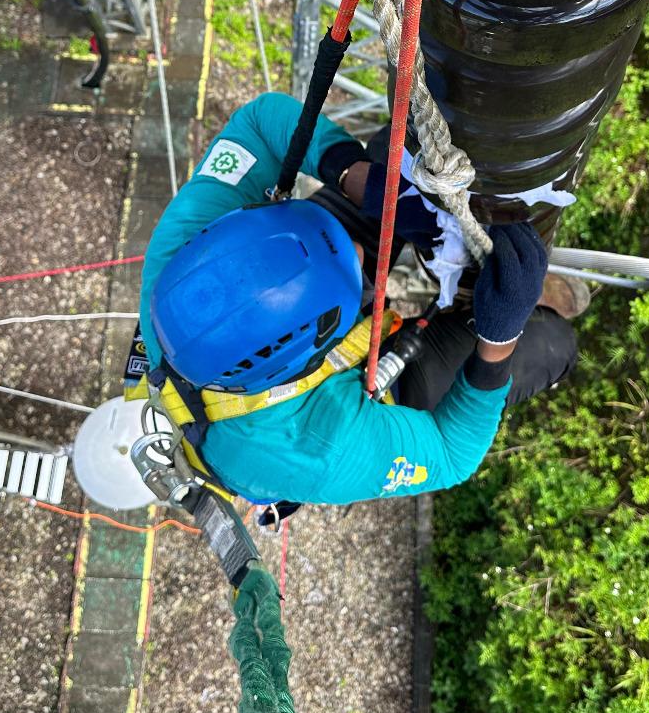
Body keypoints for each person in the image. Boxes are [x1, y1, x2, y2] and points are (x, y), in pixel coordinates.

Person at [130, 93, 586, 507]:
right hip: (335, 403)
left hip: (295, 283)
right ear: (325, 340)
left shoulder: (179, 256)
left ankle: (461, 271)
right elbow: (452, 454)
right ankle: (493, 304)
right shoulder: (320, 450)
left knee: (396, 155)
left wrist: (356, 177)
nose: (362, 251)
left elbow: (259, 125)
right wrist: (497, 340)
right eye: (356, 271)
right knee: (550, 344)